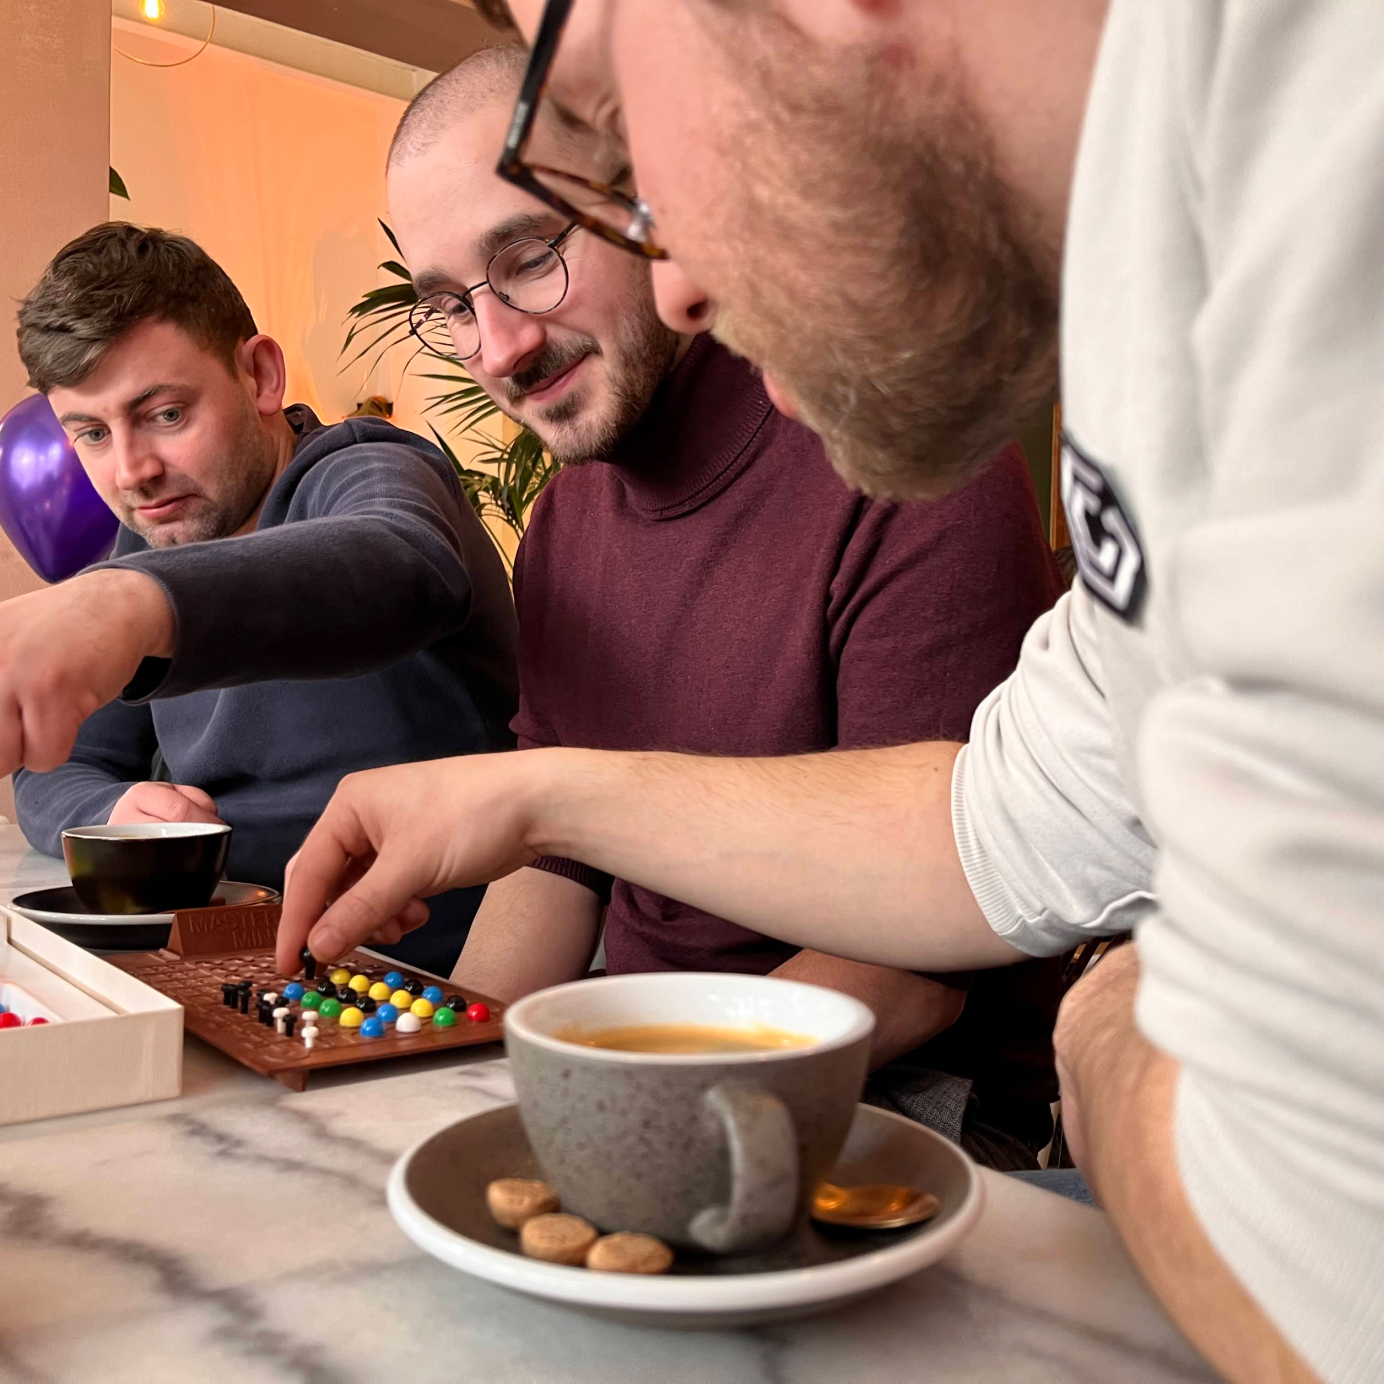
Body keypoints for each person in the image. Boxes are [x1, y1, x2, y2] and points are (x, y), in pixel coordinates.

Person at [263, 2, 1384, 1381]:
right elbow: (1000, 824)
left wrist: (1106, 1022)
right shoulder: (1154, 293)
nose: (674, 271)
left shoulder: (1316, 124)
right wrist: (533, 809)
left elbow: (1327, 1267)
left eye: (611, 133)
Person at [385, 47, 1069, 1168]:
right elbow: (557, 868)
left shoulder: (899, 452)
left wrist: (615, 1108)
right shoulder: (560, 527)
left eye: (530, 258)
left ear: (655, 200)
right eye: (448, 305)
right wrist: (422, 1087)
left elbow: (920, 961)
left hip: (901, 1097)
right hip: (645, 1054)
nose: (496, 347)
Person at [10, 222, 518, 975]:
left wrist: (127, 605)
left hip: (430, 984)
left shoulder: (369, 468)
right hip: (234, 965)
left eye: (165, 415)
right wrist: (111, 813)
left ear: (260, 377)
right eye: (90, 433)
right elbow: (56, 770)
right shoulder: (149, 542)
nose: (131, 472)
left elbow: (402, 561)